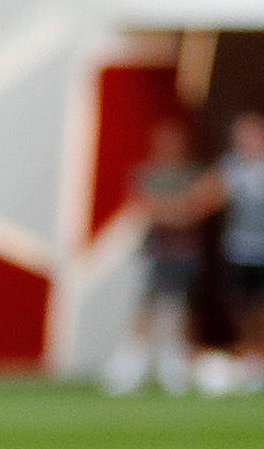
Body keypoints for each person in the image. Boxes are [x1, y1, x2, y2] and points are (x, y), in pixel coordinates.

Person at [106, 119, 217, 396]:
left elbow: (197, 209)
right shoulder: (145, 172)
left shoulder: (193, 172)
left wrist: (172, 210)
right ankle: (132, 366)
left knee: (182, 309)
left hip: (185, 253)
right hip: (155, 252)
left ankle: (176, 366)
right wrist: (178, 209)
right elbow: (144, 206)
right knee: (147, 305)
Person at [221, 112, 264, 393]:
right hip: (239, 249)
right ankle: (250, 358)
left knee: (261, 307)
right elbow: (207, 195)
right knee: (242, 307)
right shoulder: (231, 166)